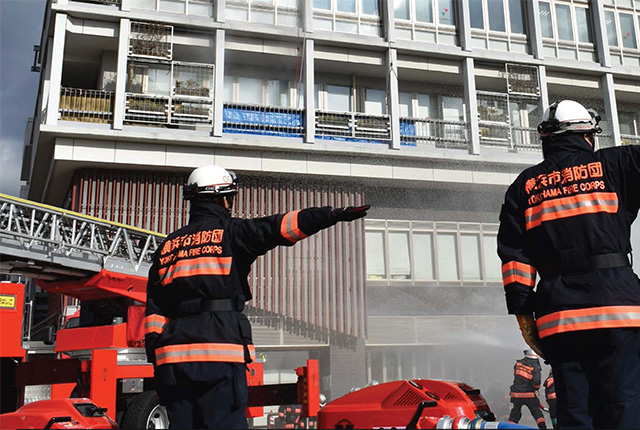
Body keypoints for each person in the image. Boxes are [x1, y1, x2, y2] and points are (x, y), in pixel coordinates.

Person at [144, 165, 370, 429]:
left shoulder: (168, 246)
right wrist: (329, 215)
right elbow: (279, 227)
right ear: (223, 199)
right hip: (219, 352)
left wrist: (156, 360)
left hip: (172, 360)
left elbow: (154, 311)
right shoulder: (231, 232)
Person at [498, 99, 640, 428]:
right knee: (624, 406)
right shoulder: (617, 164)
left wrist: (524, 317)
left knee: (575, 413)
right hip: (618, 310)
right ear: (587, 135)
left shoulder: (524, 186)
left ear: (546, 139)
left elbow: (514, 258)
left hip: (559, 318)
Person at [507, 349, 547, 429]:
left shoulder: (518, 364)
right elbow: (537, 381)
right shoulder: (535, 365)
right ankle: (543, 428)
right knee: (536, 412)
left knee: (515, 413)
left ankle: (510, 427)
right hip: (529, 394)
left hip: (516, 394)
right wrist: (536, 389)